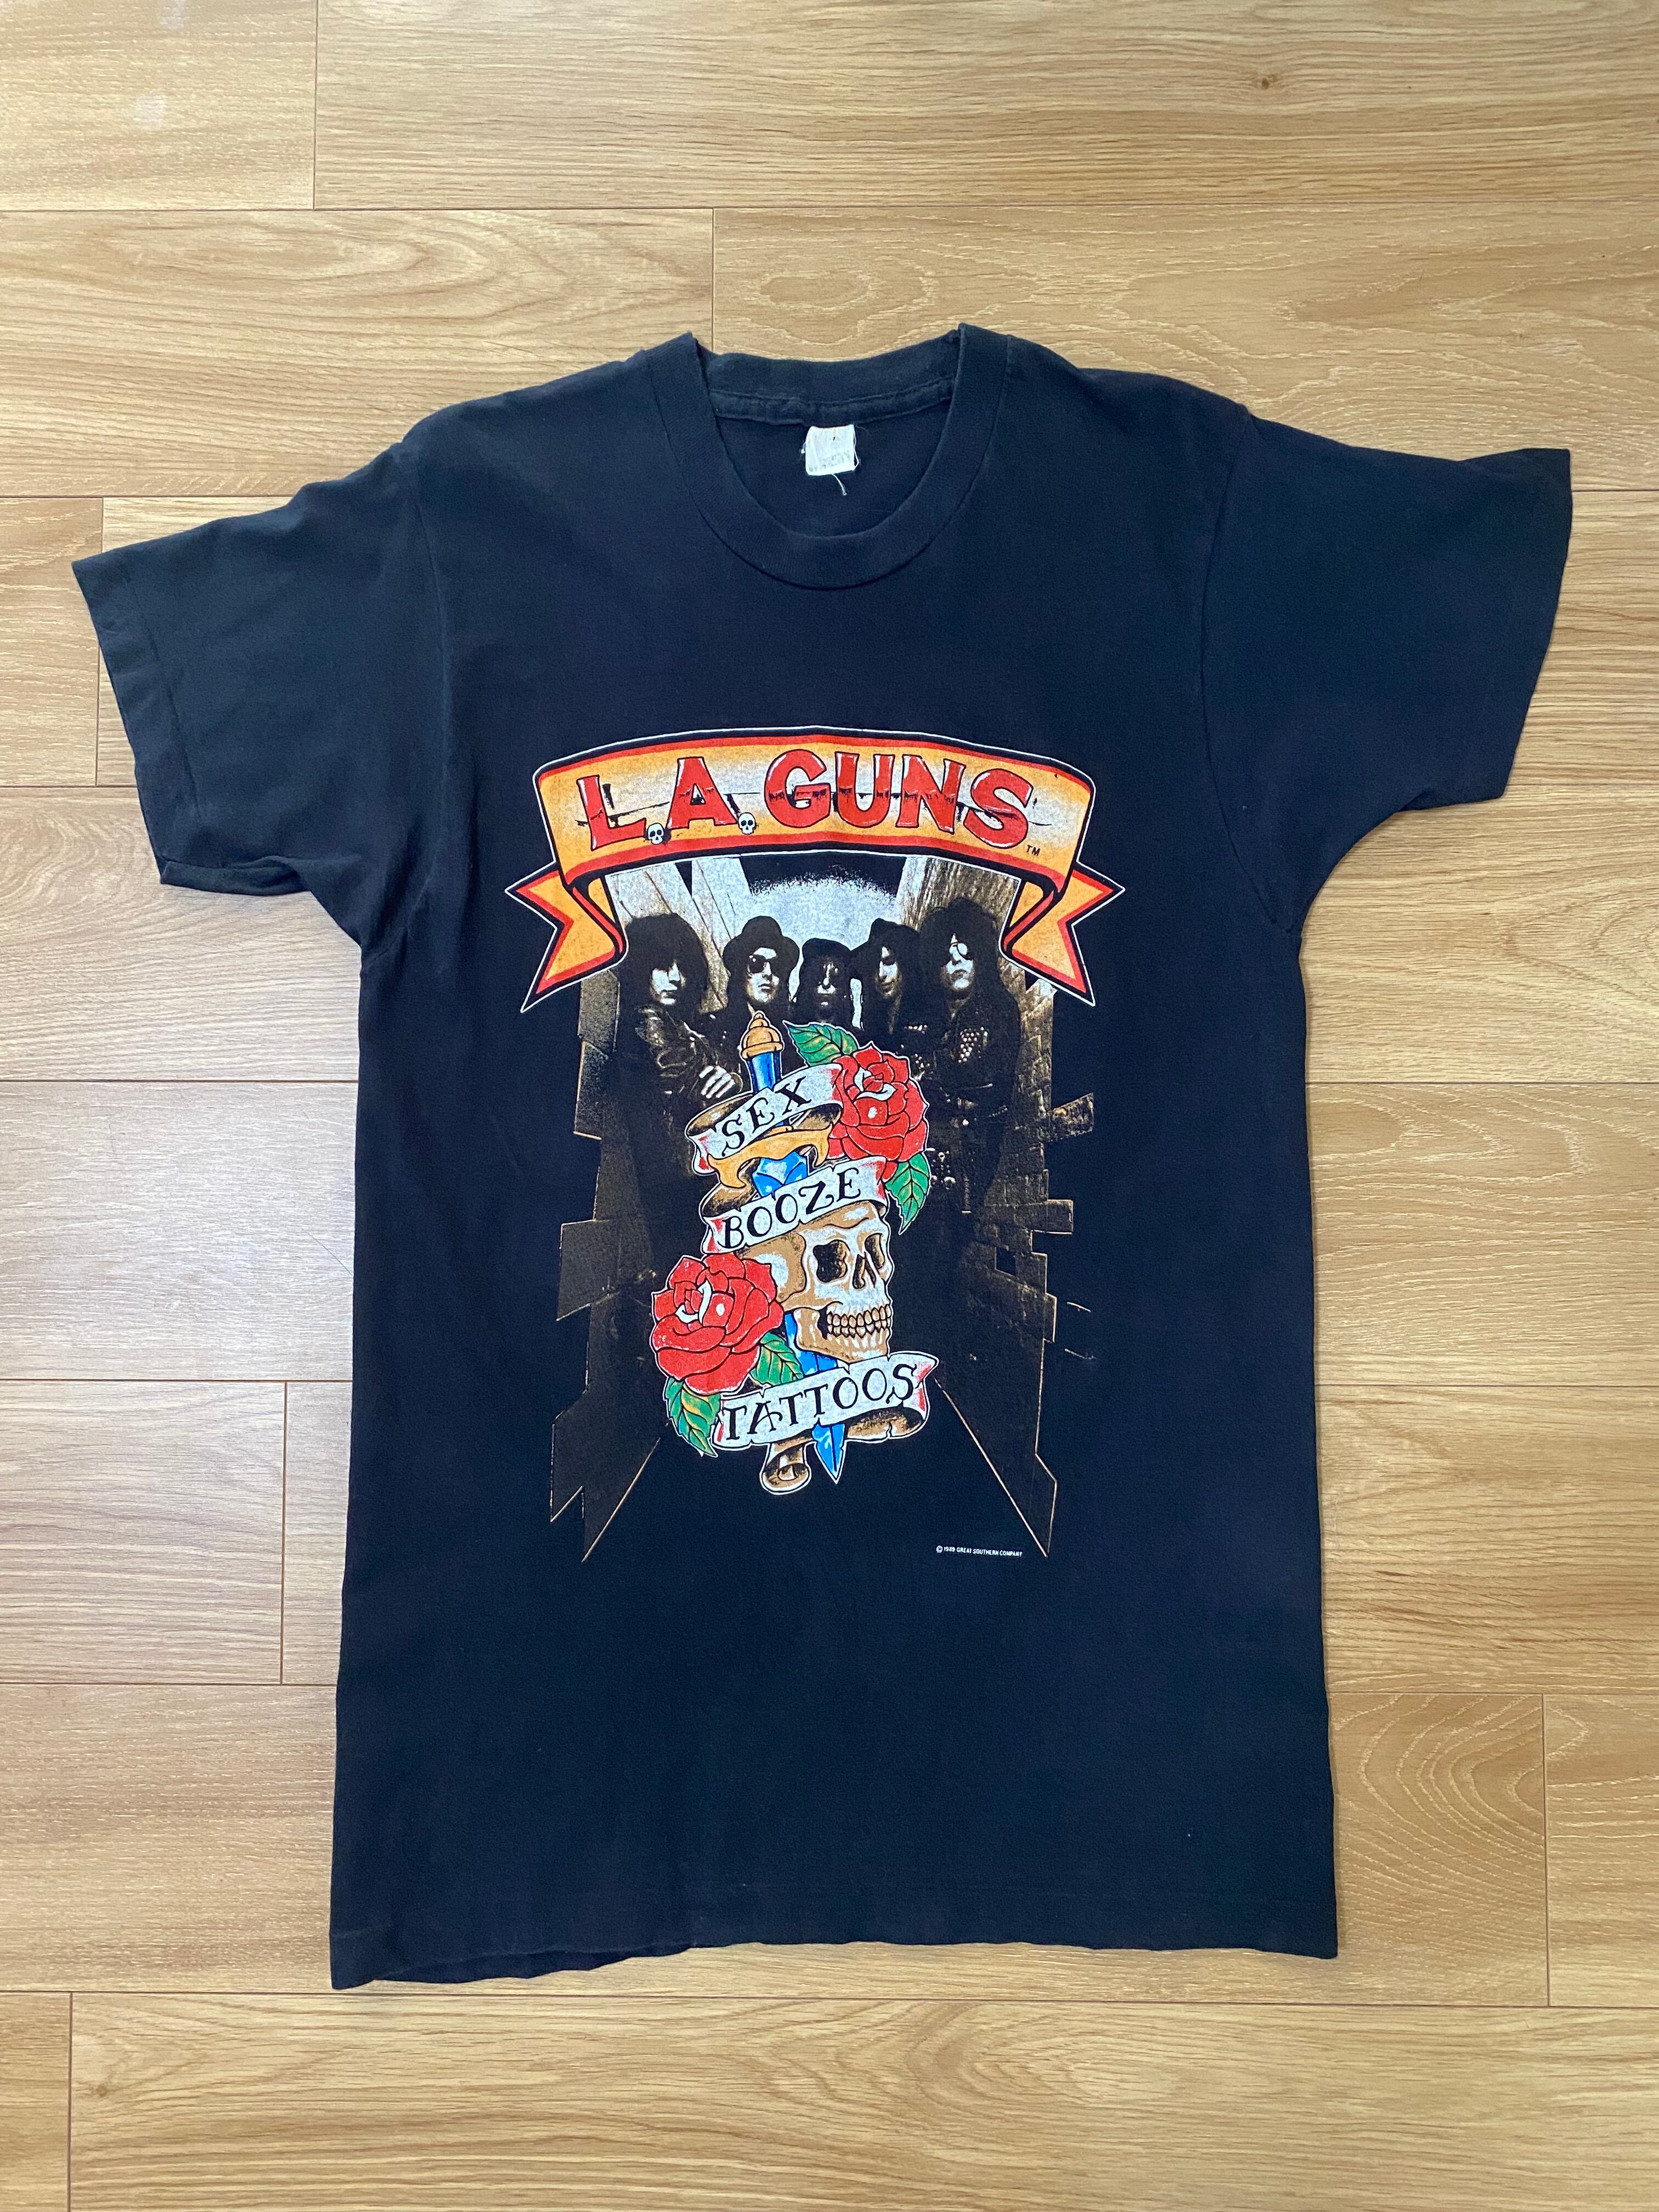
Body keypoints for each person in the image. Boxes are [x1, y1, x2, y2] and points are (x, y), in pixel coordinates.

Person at [611, 913, 739, 1270]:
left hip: (697, 1177)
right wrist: (729, 1081)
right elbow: (682, 1076)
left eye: (683, 967)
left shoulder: (684, 1027)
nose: (675, 978)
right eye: (662, 966)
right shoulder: (647, 1020)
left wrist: (732, 1079)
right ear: (641, 968)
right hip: (682, 1181)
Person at [912, 899, 1021, 1227]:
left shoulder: (997, 1012)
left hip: (972, 1153)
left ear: (980, 955)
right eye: (946, 955)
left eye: (965, 950)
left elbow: (982, 1080)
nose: (956, 960)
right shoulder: (926, 1022)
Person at [715, 915, 800, 1066]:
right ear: (741, 971)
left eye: (777, 966)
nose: (768, 973)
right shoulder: (715, 1029)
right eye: (757, 963)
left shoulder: (797, 1032)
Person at [851, 921, 925, 1051]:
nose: (881, 974)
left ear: (906, 965)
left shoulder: (924, 1029)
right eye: (874, 965)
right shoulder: (868, 1037)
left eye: (889, 962)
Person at [790, 936, 856, 1031]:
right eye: (818, 976)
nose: (826, 983)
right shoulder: (784, 1034)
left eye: (835, 977)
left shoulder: (856, 1039)